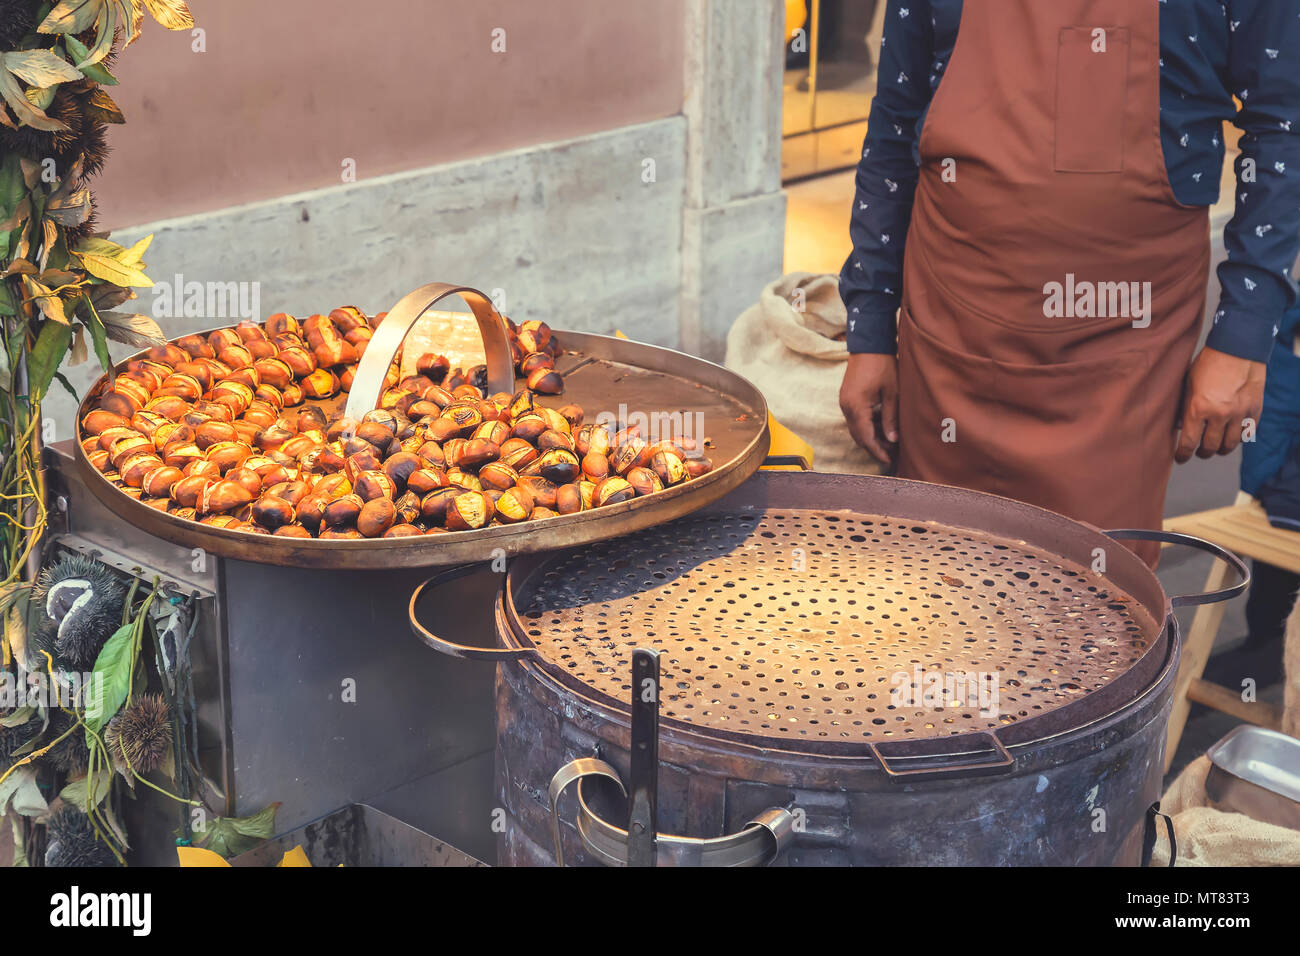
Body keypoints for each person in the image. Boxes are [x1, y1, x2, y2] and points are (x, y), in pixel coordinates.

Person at [838, 0, 1300, 567]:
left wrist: (1243, 335)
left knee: (1097, 608)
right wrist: (869, 328)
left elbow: (1283, 125)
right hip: (952, 333)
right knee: (938, 587)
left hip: (1119, 349)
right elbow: (894, 122)